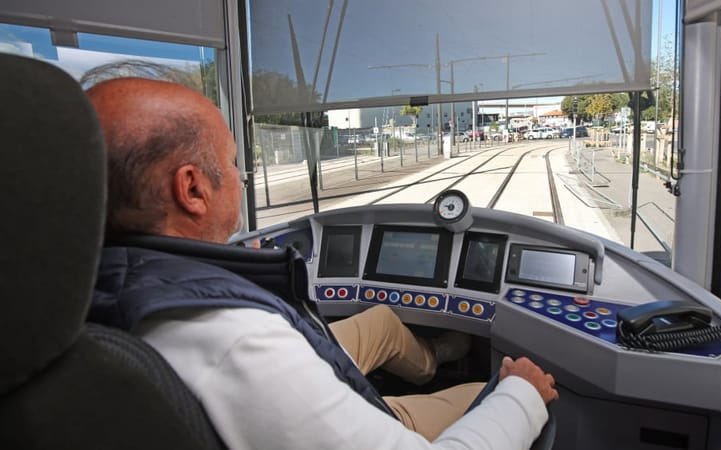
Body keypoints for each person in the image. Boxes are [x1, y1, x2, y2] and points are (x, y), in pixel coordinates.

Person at [87, 77, 558, 449]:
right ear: (192, 189)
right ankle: (459, 380)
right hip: (340, 403)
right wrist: (520, 395)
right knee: (496, 391)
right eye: (232, 163)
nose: (241, 177)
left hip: (287, 371)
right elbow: (256, 355)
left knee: (381, 320)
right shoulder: (237, 340)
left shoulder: (95, 280)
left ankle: (435, 358)